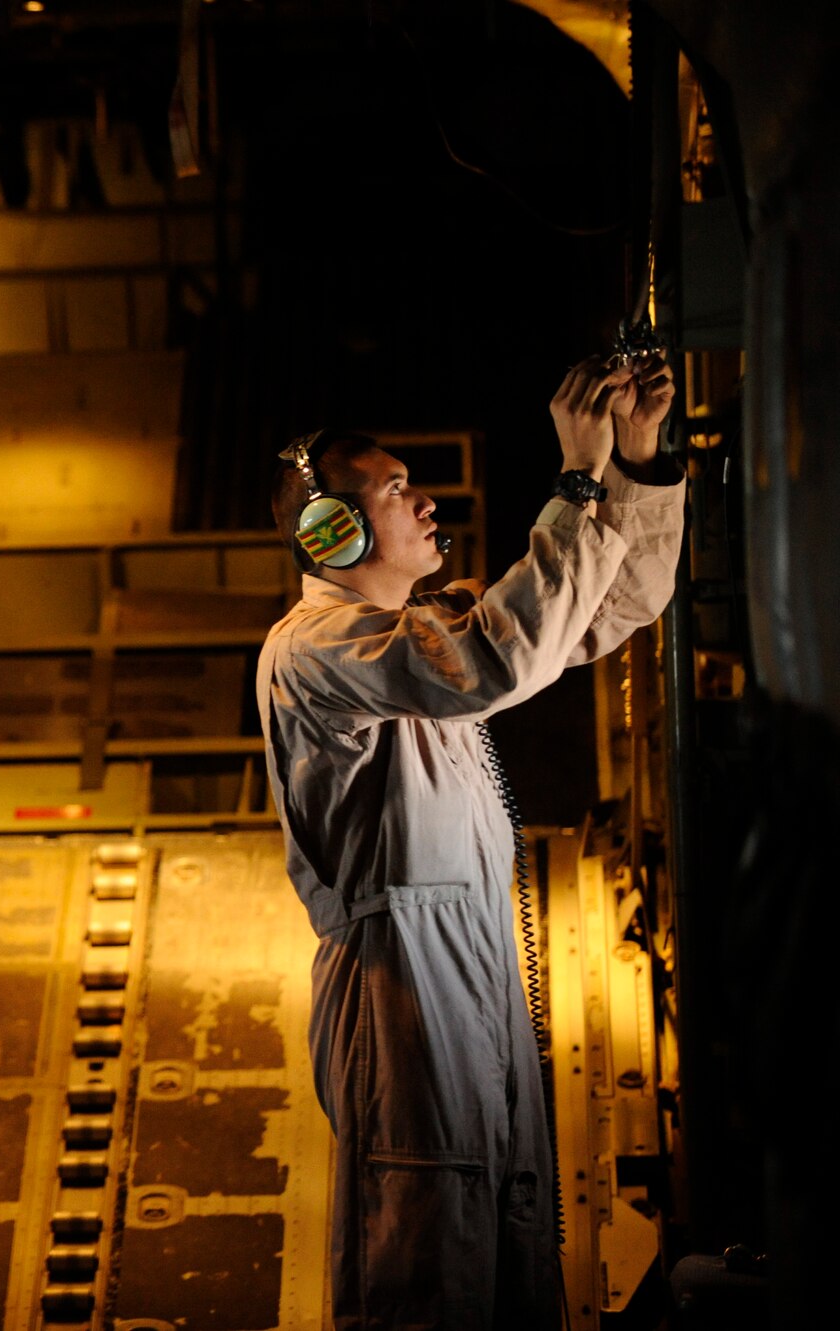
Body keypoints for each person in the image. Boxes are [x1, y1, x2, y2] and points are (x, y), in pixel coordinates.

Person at [253, 353, 683, 1329]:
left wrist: (637, 462)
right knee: (427, 1245)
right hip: (399, 978)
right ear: (331, 528)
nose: (424, 501)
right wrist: (575, 479)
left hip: (465, 959)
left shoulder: (409, 636)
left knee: (507, 1227)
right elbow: (494, 659)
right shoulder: (314, 646)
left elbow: (606, 607)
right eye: (397, 490)